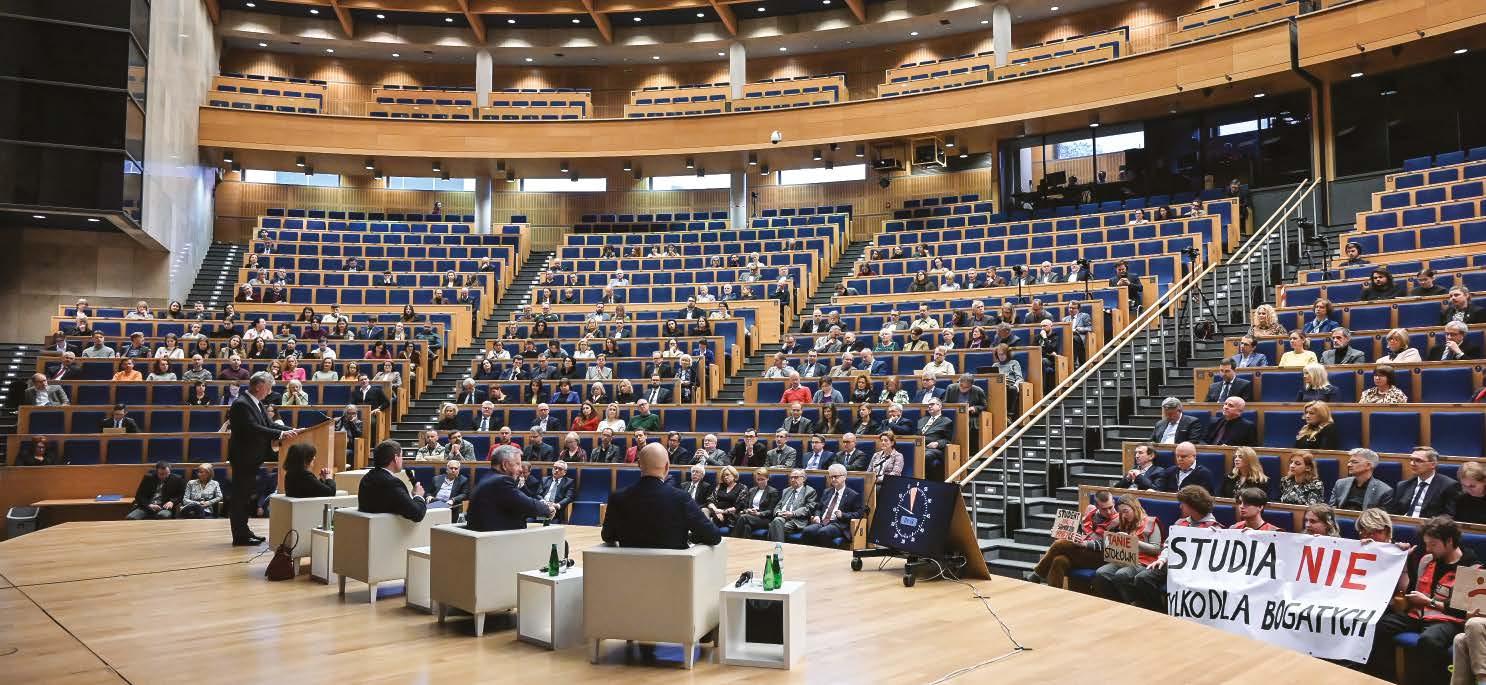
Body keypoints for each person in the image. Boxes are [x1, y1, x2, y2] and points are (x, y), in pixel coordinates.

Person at [1367, 516, 1477, 685]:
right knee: (1378, 625)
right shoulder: (1426, 560)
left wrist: (1429, 602)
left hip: (1449, 621)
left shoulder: (1472, 567)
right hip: (1417, 615)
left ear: (1449, 541)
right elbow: (1410, 590)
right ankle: (1383, 678)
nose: (1428, 549)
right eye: (1426, 544)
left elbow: (1465, 611)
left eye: (1433, 544)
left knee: (1429, 641)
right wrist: (1402, 559)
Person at [1117, 485, 1220, 612]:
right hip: (1170, 563)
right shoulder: (1180, 523)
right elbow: (1168, 545)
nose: (1180, 507)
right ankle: (1155, 610)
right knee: (1142, 578)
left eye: (1183, 504)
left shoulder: (1214, 528)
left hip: (1194, 569)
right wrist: (1162, 559)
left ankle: (1163, 612)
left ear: (1193, 506)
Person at [601, 443, 721, 549]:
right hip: (673, 567)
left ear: (639, 464)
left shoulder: (617, 497)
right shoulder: (681, 498)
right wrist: (689, 537)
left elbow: (607, 536)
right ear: (667, 466)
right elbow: (713, 536)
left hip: (628, 566)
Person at [1025, 490, 1120, 586]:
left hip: (1102, 556)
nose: (1108, 512)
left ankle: (1037, 574)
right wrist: (1061, 532)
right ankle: (1053, 592)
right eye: (1104, 509)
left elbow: (1108, 544)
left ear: (1114, 502)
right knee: (1059, 560)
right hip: (1082, 552)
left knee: (1060, 544)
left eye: (1110, 507)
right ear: (1097, 506)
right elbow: (1078, 532)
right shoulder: (1091, 514)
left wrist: (1085, 544)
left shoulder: (1119, 520)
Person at [1091, 494, 1164, 602]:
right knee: (1101, 573)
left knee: (1122, 574)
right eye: (1121, 513)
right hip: (1126, 559)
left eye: (1126, 511)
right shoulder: (1125, 523)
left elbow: (1156, 549)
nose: (1124, 515)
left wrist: (1133, 541)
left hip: (1144, 561)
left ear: (1135, 507)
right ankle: (1116, 602)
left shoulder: (1151, 522)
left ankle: (1132, 603)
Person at [466, 445, 557, 531]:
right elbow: (527, 505)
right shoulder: (501, 481)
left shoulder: (487, 478)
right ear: (504, 465)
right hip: (497, 538)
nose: (521, 470)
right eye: (518, 464)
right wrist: (548, 509)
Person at [358, 439, 428, 522]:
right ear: (395, 458)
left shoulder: (367, 478)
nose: (402, 460)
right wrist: (418, 496)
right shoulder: (392, 483)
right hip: (391, 529)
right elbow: (417, 514)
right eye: (401, 456)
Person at [801, 464, 864, 548]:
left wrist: (843, 515)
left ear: (844, 477)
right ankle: (809, 554)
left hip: (838, 524)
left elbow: (859, 514)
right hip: (822, 522)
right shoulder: (827, 492)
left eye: (836, 477)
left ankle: (827, 554)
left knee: (823, 532)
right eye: (831, 477)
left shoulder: (853, 495)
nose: (833, 479)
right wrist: (817, 516)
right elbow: (819, 508)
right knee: (807, 530)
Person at [1392, 447, 1460, 519]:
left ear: (1433, 464)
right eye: (1411, 460)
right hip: (1403, 523)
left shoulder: (1449, 485)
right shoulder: (1403, 485)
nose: (1412, 464)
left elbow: (1449, 515)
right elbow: (1393, 512)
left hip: (1429, 524)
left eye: (1418, 460)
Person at [1328, 448, 1394, 511]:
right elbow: (1331, 509)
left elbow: (1381, 517)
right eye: (1349, 462)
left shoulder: (1384, 491)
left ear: (1368, 465)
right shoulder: (1340, 484)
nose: (1349, 465)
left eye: (1354, 462)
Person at [1151, 441, 1215, 493]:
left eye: (1183, 456)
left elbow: (1204, 498)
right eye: (1177, 456)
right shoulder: (1170, 471)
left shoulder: (1204, 474)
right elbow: (1159, 489)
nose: (1179, 459)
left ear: (1194, 456)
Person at [918, 398, 953, 480]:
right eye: (928, 405)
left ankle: (922, 479)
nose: (929, 406)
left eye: (932, 404)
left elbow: (948, 440)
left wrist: (937, 443)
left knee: (926, 455)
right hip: (919, 446)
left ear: (940, 406)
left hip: (933, 449)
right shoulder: (921, 420)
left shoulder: (947, 421)